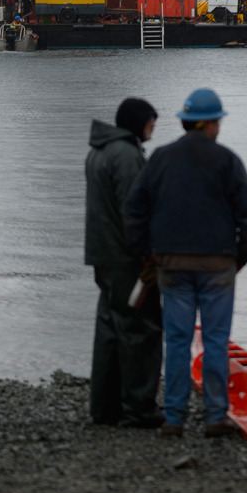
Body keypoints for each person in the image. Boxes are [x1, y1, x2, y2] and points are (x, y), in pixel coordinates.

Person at [125, 88, 247, 438]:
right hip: (218, 264)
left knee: (178, 341)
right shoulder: (228, 160)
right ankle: (215, 416)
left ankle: (174, 418)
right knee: (216, 340)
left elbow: (134, 211)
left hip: (172, 263)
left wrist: (147, 253)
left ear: (186, 122)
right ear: (212, 123)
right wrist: (237, 259)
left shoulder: (161, 159)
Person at [85, 97, 163, 428]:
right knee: (138, 328)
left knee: (109, 327)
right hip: (126, 259)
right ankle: (139, 407)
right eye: (150, 122)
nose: (152, 129)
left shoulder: (97, 152)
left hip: (102, 254)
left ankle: (104, 408)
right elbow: (135, 212)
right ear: (136, 123)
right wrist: (147, 255)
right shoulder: (128, 156)